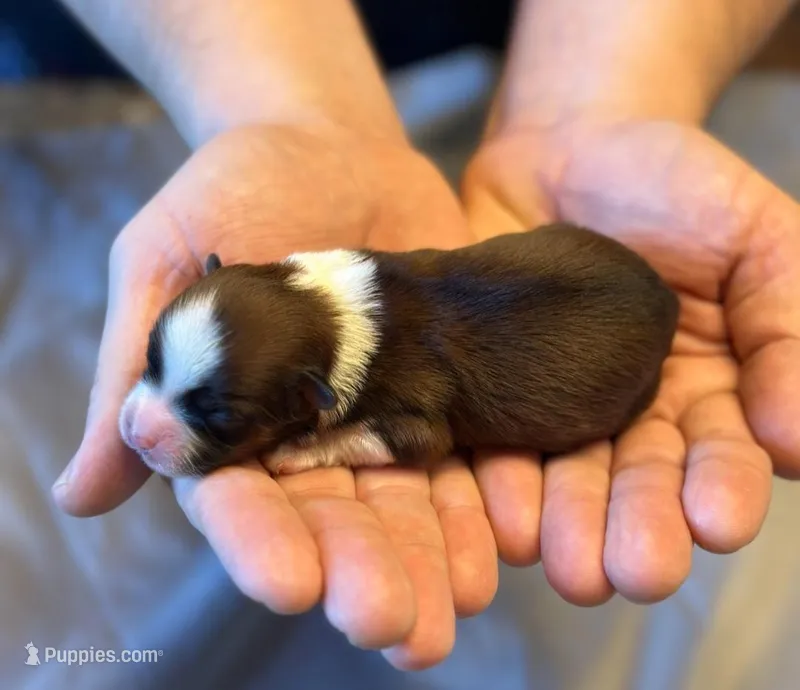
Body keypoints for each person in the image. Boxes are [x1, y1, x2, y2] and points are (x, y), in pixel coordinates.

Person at [50, 0, 800, 672]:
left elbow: (417, 436)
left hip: (611, 354)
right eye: (156, 365)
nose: (143, 422)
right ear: (226, 269)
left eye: (209, 413)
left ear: (311, 396)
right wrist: (280, 115)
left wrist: (320, 450)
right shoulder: (355, 294)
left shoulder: (373, 380)